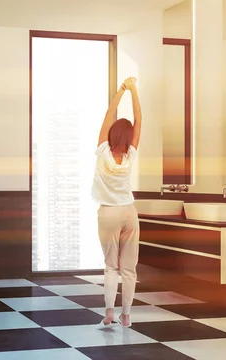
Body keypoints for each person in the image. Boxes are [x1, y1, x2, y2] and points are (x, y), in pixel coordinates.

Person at [92, 76, 141, 329]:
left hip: (108, 214)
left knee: (111, 267)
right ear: (130, 136)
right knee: (129, 269)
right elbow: (138, 120)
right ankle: (126, 316)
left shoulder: (102, 151)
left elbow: (109, 115)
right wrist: (133, 90)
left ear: (111, 134)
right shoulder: (131, 154)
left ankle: (109, 312)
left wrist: (120, 92)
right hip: (129, 213)